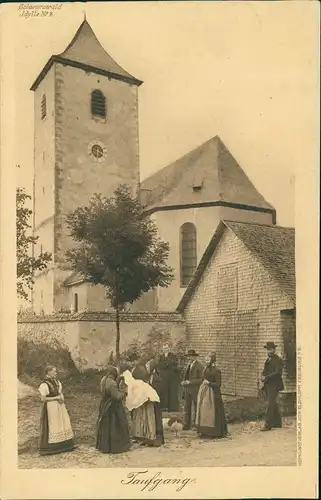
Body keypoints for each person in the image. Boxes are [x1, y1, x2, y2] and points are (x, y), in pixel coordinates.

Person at [122, 367, 165, 447]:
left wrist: (131, 404)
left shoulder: (137, 384)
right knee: (143, 421)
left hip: (150, 402)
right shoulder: (138, 384)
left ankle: (151, 440)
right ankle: (144, 438)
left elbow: (137, 397)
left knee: (148, 421)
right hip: (146, 403)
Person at [38, 365, 75, 456]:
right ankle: (51, 448)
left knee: (62, 423)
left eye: (55, 371)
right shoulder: (44, 384)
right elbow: (43, 399)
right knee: (53, 425)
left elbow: (60, 392)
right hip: (51, 407)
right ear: (48, 373)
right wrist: (56, 398)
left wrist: (61, 397)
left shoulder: (57, 382)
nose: (56, 373)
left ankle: (64, 446)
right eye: (54, 371)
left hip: (60, 406)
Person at [96, 365, 131, 453]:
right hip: (113, 407)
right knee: (116, 426)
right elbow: (116, 397)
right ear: (113, 374)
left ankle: (104, 446)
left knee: (105, 426)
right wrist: (124, 393)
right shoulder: (112, 383)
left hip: (104, 404)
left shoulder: (103, 380)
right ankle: (116, 447)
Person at [195, 353, 228, 438]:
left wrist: (209, 383)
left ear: (212, 360)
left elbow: (218, 384)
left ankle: (215, 433)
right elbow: (202, 379)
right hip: (204, 392)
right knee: (203, 411)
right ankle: (204, 431)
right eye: (205, 360)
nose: (206, 362)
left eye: (208, 360)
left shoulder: (217, 371)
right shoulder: (205, 369)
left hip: (214, 394)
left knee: (213, 412)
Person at [260, 341, 284, 431]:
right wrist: (262, 375)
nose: (268, 351)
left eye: (270, 349)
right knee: (273, 403)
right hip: (268, 385)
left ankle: (267, 425)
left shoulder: (278, 360)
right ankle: (278, 423)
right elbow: (265, 370)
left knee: (270, 404)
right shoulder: (268, 360)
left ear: (274, 349)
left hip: (275, 385)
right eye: (267, 350)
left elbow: (278, 373)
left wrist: (266, 377)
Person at [181, 349, 204, 430]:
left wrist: (189, 382)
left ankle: (197, 425)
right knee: (187, 407)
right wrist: (183, 382)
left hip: (195, 390)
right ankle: (187, 425)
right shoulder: (188, 365)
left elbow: (201, 380)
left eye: (191, 356)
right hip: (187, 390)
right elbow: (186, 376)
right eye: (188, 356)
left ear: (195, 357)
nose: (189, 358)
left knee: (197, 407)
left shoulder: (200, 366)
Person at [157, 343, 180, 412]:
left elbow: (174, 363)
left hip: (172, 377)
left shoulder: (173, 356)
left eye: (166, 348)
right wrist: (168, 363)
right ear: (162, 349)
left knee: (172, 391)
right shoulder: (161, 357)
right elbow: (159, 365)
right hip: (164, 377)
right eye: (164, 349)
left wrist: (166, 363)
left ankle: (172, 407)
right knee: (164, 391)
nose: (165, 350)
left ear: (169, 349)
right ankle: (164, 407)